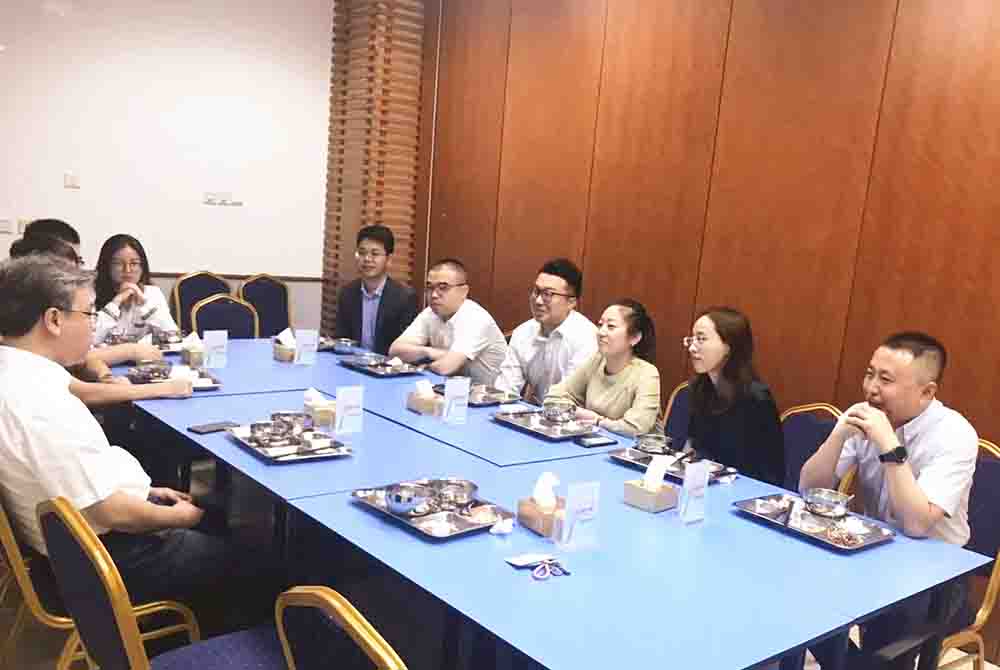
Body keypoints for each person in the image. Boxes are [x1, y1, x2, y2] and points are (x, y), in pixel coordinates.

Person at [0, 255, 276, 625]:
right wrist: (174, 517)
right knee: (256, 563)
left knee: (214, 517)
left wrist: (146, 492)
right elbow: (112, 513)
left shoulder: (18, 371)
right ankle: (209, 642)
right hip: (106, 561)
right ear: (53, 320)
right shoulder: (40, 403)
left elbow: (83, 484)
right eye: (89, 314)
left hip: (70, 547)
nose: (93, 324)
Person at [798, 332, 977, 669]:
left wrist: (888, 445)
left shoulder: (954, 434)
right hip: (871, 554)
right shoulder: (867, 415)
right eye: (870, 374)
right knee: (795, 592)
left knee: (887, 645)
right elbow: (809, 489)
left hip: (935, 576)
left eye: (886, 380)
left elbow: (916, 524)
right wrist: (839, 435)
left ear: (927, 393)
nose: (871, 388)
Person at [7, 234, 192, 406]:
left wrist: (105, 376)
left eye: (134, 263)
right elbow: (84, 367)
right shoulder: (25, 366)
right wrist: (131, 351)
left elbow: (82, 364)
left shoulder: (28, 357)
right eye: (88, 313)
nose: (127, 270)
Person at [682, 307, 784, 486]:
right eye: (691, 339)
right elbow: (694, 446)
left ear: (728, 346)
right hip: (706, 483)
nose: (692, 348)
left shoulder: (755, 398)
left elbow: (765, 472)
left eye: (701, 339)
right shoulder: (700, 388)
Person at [544, 298, 660, 436]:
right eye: (600, 325)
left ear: (634, 337)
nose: (601, 332)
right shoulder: (597, 361)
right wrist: (577, 412)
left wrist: (598, 421)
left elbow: (635, 427)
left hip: (635, 447)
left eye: (611, 326)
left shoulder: (647, 373)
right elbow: (554, 396)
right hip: (595, 440)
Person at [389, 258, 507, 385]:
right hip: (449, 387)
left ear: (464, 291)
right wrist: (429, 352)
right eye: (430, 288)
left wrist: (424, 363)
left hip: (489, 393)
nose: (434, 295)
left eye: (443, 288)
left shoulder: (476, 318)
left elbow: (446, 367)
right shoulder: (430, 313)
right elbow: (395, 350)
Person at [495, 258, 597, 403]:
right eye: (536, 291)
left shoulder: (586, 339)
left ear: (571, 302)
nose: (538, 301)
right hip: (537, 412)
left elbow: (566, 399)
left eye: (548, 294)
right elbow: (504, 390)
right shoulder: (523, 332)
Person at [334, 225, 419, 354]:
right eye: (362, 253)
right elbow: (341, 339)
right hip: (351, 362)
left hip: (387, 364)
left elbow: (406, 347)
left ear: (389, 259)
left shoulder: (405, 298)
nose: (367, 259)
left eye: (375, 254)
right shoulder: (347, 293)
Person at [94, 234, 178, 344]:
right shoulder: (91, 293)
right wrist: (116, 302)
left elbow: (172, 337)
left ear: (142, 267)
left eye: (134, 263)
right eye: (118, 263)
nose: (127, 270)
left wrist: (144, 303)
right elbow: (90, 340)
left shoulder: (152, 293)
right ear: (106, 266)